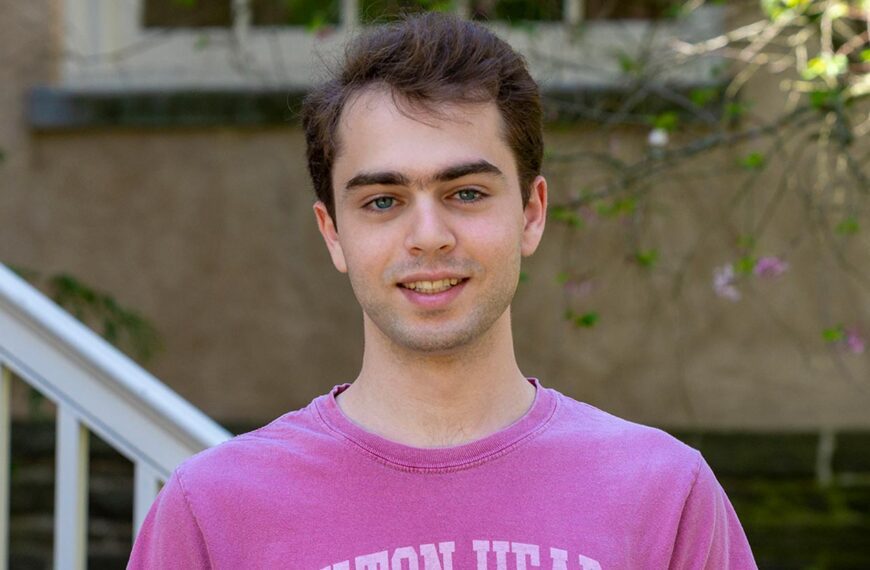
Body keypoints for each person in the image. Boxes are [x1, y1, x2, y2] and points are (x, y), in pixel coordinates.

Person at [128, 12, 756, 569]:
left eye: (466, 193)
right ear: (334, 234)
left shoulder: (663, 495)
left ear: (532, 213)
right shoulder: (213, 512)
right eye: (382, 201)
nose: (428, 236)